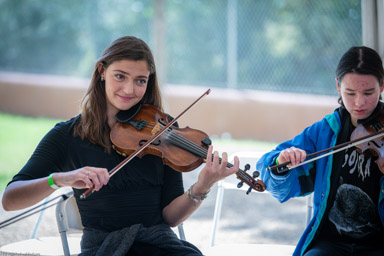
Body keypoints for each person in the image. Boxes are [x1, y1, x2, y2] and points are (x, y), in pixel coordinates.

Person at [1, 36, 239, 256]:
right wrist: (60, 179)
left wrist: (202, 185)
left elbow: (170, 218)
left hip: (159, 245)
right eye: (120, 76)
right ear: (102, 71)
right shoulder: (66, 136)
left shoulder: (164, 133)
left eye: (140, 81)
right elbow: (10, 200)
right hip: (103, 249)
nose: (129, 90)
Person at [256, 46, 384, 256]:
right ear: (337, 86)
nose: (359, 102)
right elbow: (270, 169)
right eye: (350, 93)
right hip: (330, 242)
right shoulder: (326, 131)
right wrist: (282, 162)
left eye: (368, 93)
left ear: (382, 86)